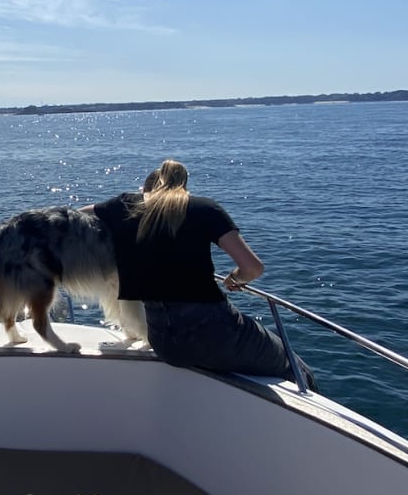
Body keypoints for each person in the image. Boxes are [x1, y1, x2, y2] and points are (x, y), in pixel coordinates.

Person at [89, 158, 316, 387]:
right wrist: (234, 279)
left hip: (163, 341)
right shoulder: (204, 209)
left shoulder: (123, 206)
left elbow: (77, 217)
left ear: (147, 188)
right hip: (215, 334)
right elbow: (252, 268)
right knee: (296, 366)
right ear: (183, 186)